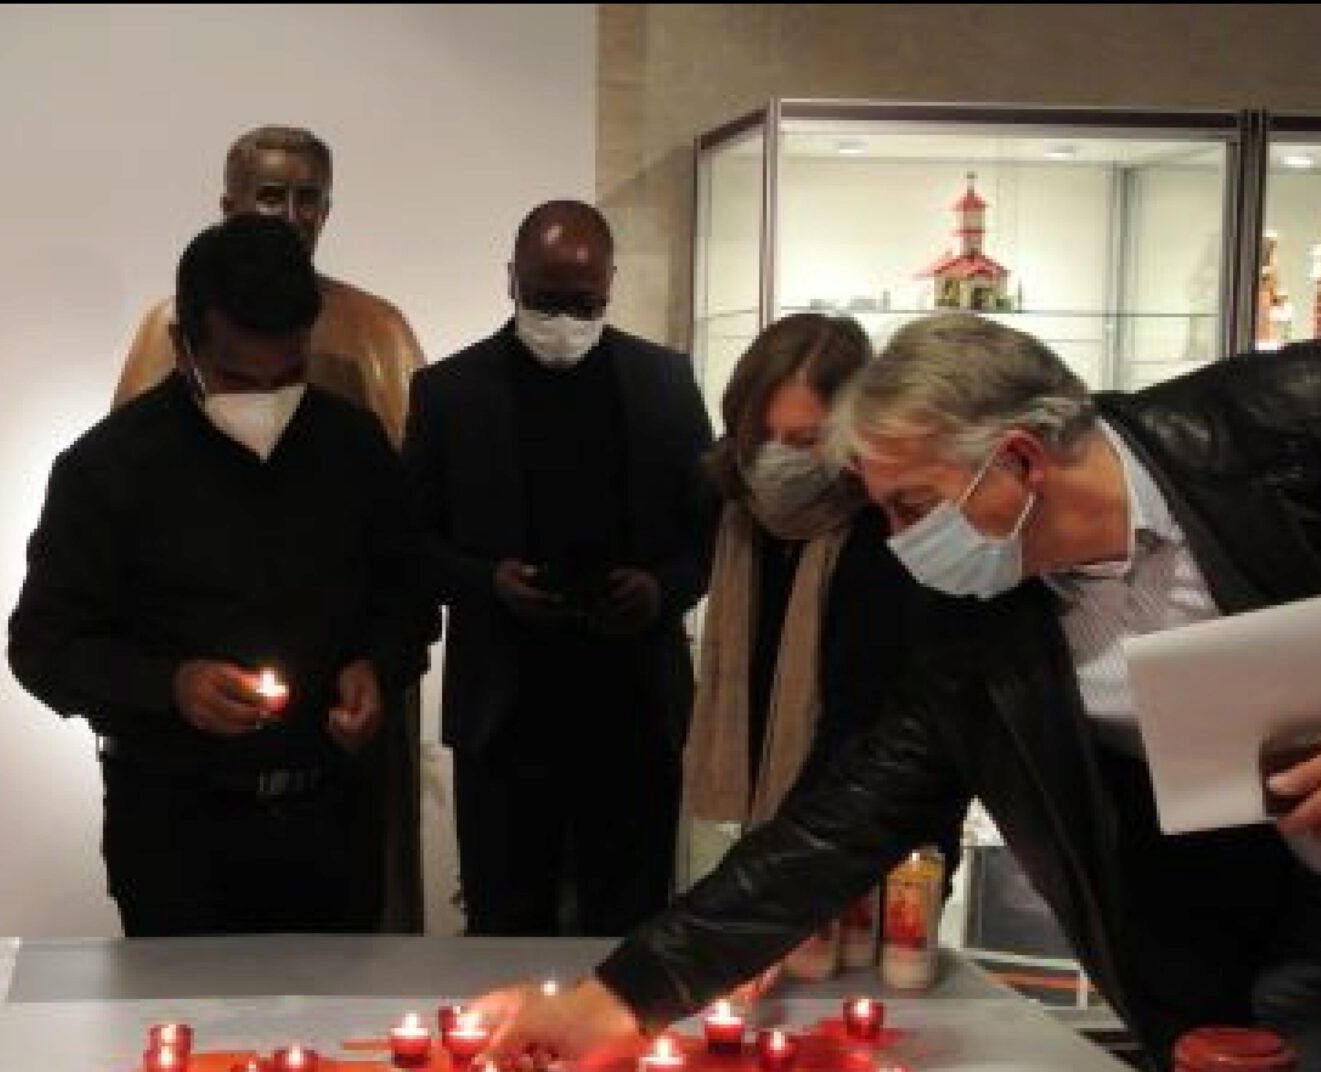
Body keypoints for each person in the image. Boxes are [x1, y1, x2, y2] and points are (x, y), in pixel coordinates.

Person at [482, 313, 1321, 1072]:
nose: (897, 539)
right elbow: (852, 812)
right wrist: (623, 996)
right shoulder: (978, 616)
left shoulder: (1282, 423)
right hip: (1279, 940)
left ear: (1021, 460)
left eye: (913, 506)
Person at [9, 215, 430, 937]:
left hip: (331, 827)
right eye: (237, 378)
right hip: (176, 834)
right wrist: (170, 686)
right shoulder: (107, 468)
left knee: (334, 1010)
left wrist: (376, 667)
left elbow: (408, 600)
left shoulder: (353, 447)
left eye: (289, 375)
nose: (266, 396)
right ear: (183, 348)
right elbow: (44, 647)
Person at [113, 123, 429, 932]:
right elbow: (65, 627)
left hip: (328, 783)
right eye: (270, 197)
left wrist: (375, 660)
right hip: (181, 807)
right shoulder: (123, 446)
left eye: (308, 198)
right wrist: (167, 683)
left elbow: (407, 557)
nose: (291, 215)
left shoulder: (373, 341)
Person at [405, 199, 714, 938]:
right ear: (511, 280)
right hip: (505, 712)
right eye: (546, 300)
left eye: (585, 303)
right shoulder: (449, 391)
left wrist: (661, 590)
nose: (565, 321)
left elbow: (710, 533)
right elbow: (407, 541)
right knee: (503, 924)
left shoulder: (665, 382)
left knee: (631, 923)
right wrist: (489, 583)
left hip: (634, 703)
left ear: (610, 286)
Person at [684, 313, 960, 979]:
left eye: (804, 440)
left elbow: (863, 722)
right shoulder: (741, 521)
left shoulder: (883, 534)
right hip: (774, 838)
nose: (776, 457)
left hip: (875, 845)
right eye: (762, 436)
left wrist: (770, 879)